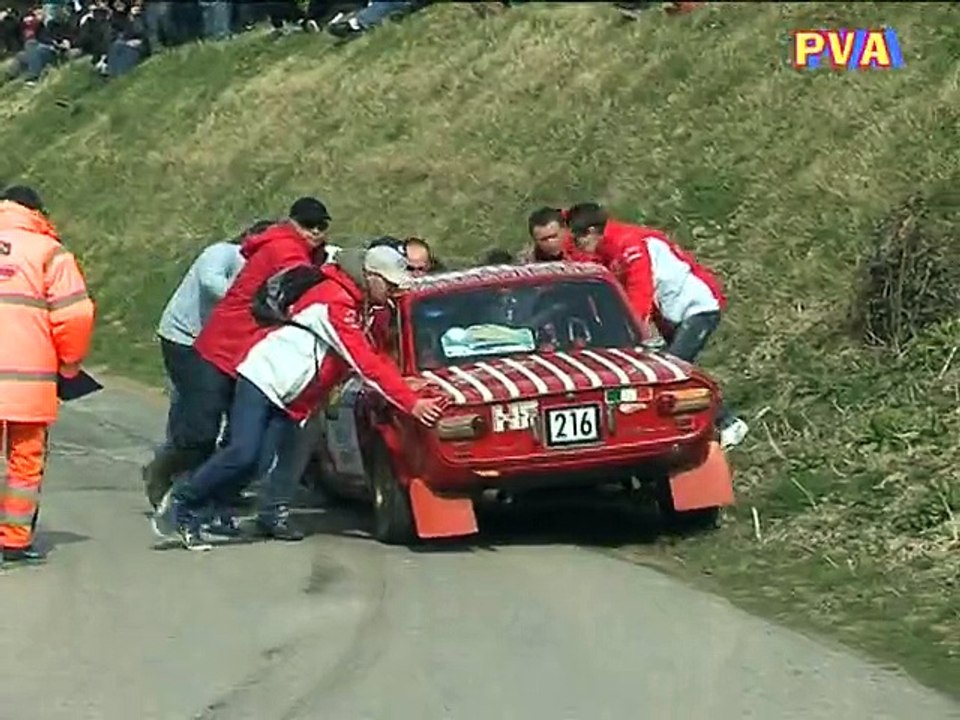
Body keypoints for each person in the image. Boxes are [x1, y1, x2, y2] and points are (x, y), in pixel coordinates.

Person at [152, 245, 446, 550]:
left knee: (257, 463)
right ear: (371, 277)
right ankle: (181, 502)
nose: (395, 290)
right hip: (262, 376)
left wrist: (406, 385)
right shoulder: (336, 303)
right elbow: (366, 362)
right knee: (243, 452)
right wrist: (412, 403)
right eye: (391, 283)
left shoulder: (356, 305)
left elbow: (372, 357)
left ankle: (202, 512)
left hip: (289, 396)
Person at [566, 202, 749, 450]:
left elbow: (641, 288)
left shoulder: (629, 243)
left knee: (674, 371)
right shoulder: (608, 249)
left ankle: (727, 424)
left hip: (697, 307)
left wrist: (633, 328)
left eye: (578, 239)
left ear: (591, 232)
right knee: (681, 371)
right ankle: (717, 420)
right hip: (672, 314)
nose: (577, 246)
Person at [179, 197, 331, 482]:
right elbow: (302, 285)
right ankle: (174, 481)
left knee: (239, 443)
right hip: (225, 347)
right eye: (308, 225)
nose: (314, 232)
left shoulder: (303, 252)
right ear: (292, 223)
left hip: (249, 355)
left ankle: (209, 498)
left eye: (321, 226)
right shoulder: (285, 249)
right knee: (204, 434)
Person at [141, 219, 274, 508]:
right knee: (201, 422)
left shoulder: (268, 271)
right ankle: (165, 470)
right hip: (186, 340)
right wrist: (255, 296)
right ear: (250, 238)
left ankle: (217, 485)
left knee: (239, 423)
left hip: (226, 349)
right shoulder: (222, 253)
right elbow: (212, 284)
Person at [0, 185, 95, 566]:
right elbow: (75, 314)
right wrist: (69, 364)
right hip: (29, 382)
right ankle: (14, 541)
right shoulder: (49, 253)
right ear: (36, 211)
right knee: (25, 461)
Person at [519, 206, 592, 264]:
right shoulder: (527, 262)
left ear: (565, 230)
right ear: (535, 240)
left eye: (553, 236)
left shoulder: (587, 248)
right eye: (544, 239)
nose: (550, 242)